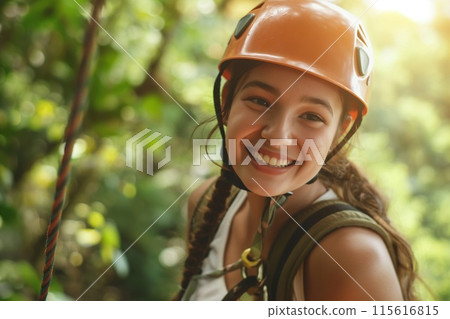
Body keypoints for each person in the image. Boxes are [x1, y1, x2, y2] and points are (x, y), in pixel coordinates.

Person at [174, 0, 417, 301]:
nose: (278, 136)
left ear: (339, 131)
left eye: (312, 117)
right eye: (260, 101)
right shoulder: (206, 204)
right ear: (226, 102)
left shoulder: (350, 258)